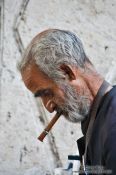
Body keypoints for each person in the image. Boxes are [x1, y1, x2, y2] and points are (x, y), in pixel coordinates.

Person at [17, 29, 116, 174]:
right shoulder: (96, 116)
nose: (49, 107)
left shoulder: (113, 122)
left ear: (67, 72)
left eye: (46, 93)